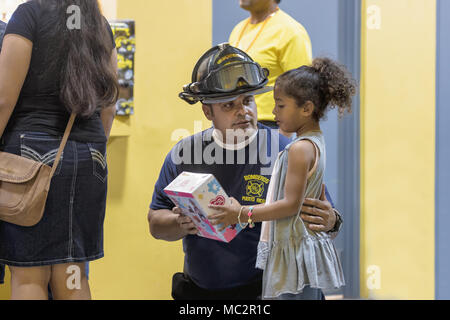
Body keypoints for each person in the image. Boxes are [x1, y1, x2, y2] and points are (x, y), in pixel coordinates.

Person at [148, 43, 342, 300]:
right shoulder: (184, 154)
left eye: (248, 100)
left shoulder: (286, 150)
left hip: (270, 291)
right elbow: (155, 223)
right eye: (229, 105)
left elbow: (325, 217)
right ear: (207, 111)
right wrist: (180, 223)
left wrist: (332, 221)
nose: (244, 112)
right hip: (204, 293)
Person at [209, 57, 356, 300]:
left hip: (296, 253)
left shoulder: (298, 149)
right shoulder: (315, 142)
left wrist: (241, 213)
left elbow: (290, 206)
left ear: (306, 109)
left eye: (280, 105)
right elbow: (316, 196)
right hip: (300, 247)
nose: (274, 112)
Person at [0, 0, 118, 300]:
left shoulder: (29, 14)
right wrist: (90, 152)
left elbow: (3, 100)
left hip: (30, 158)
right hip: (91, 159)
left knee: (29, 277)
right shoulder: (99, 24)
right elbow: (109, 105)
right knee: (73, 274)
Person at [229, 0, 312, 137]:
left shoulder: (290, 31)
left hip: (269, 127)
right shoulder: (238, 29)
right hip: (235, 124)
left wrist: (282, 136)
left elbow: (303, 91)